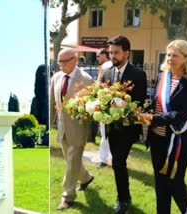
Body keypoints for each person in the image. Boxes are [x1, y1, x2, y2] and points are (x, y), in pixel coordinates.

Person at [146, 39, 187, 214]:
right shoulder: (164, 76)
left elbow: (182, 113)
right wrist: (142, 111)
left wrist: (153, 119)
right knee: (160, 183)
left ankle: (185, 207)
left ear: (186, 58)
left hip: (179, 139)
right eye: (168, 54)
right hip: (157, 138)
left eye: (175, 55)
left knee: (174, 181)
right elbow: (156, 102)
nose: (170, 58)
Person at [99, 35, 147, 214]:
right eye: (111, 52)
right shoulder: (108, 72)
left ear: (127, 52)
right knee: (117, 162)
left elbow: (140, 102)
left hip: (128, 128)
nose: (112, 56)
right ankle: (123, 197)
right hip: (112, 127)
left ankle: (123, 199)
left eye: (116, 52)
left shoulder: (138, 74)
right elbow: (103, 96)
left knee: (119, 161)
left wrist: (122, 106)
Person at [50, 48, 94, 210]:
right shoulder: (56, 77)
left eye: (64, 61)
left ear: (74, 60)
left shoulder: (87, 80)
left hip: (78, 128)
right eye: (59, 61)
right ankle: (86, 177)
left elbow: (92, 107)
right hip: (62, 128)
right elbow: (52, 104)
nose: (61, 65)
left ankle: (67, 196)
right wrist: (48, 126)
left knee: (72, 161)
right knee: (71, 161)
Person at [96, 48, 113, 168]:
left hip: (114, 106)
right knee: (104, 135)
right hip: (104, 106)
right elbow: (98, 86)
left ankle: (111, 158)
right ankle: (103, 159)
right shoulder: (103, 70)